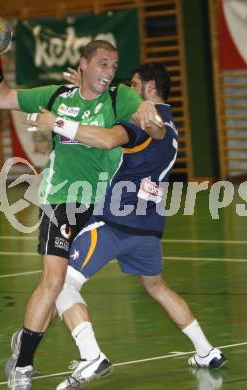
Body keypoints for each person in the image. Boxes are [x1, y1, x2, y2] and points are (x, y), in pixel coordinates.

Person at [28, 62, 227, 389]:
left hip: (113, 221)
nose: (128, 91)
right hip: (148, 227)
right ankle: (206, 351)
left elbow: (105, 138)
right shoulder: (172, 126)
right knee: (158, 288)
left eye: (133, 84)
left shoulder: (142, 118)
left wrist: (59, 120)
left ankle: (91, 354)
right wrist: (87, 90)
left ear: (148, 88)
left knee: (61, 283)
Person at [0, 39, 163, 389]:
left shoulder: (120, 98)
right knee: (53, 282)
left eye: (114, 65)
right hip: (63, 200)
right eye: (104, 63)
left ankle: (45, 343)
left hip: (103, 206)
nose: (110, 72)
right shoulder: (58, 96)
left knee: (62, 287)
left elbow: (152, 129)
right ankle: (23, 366)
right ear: (83, 64)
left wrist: (150, 118)